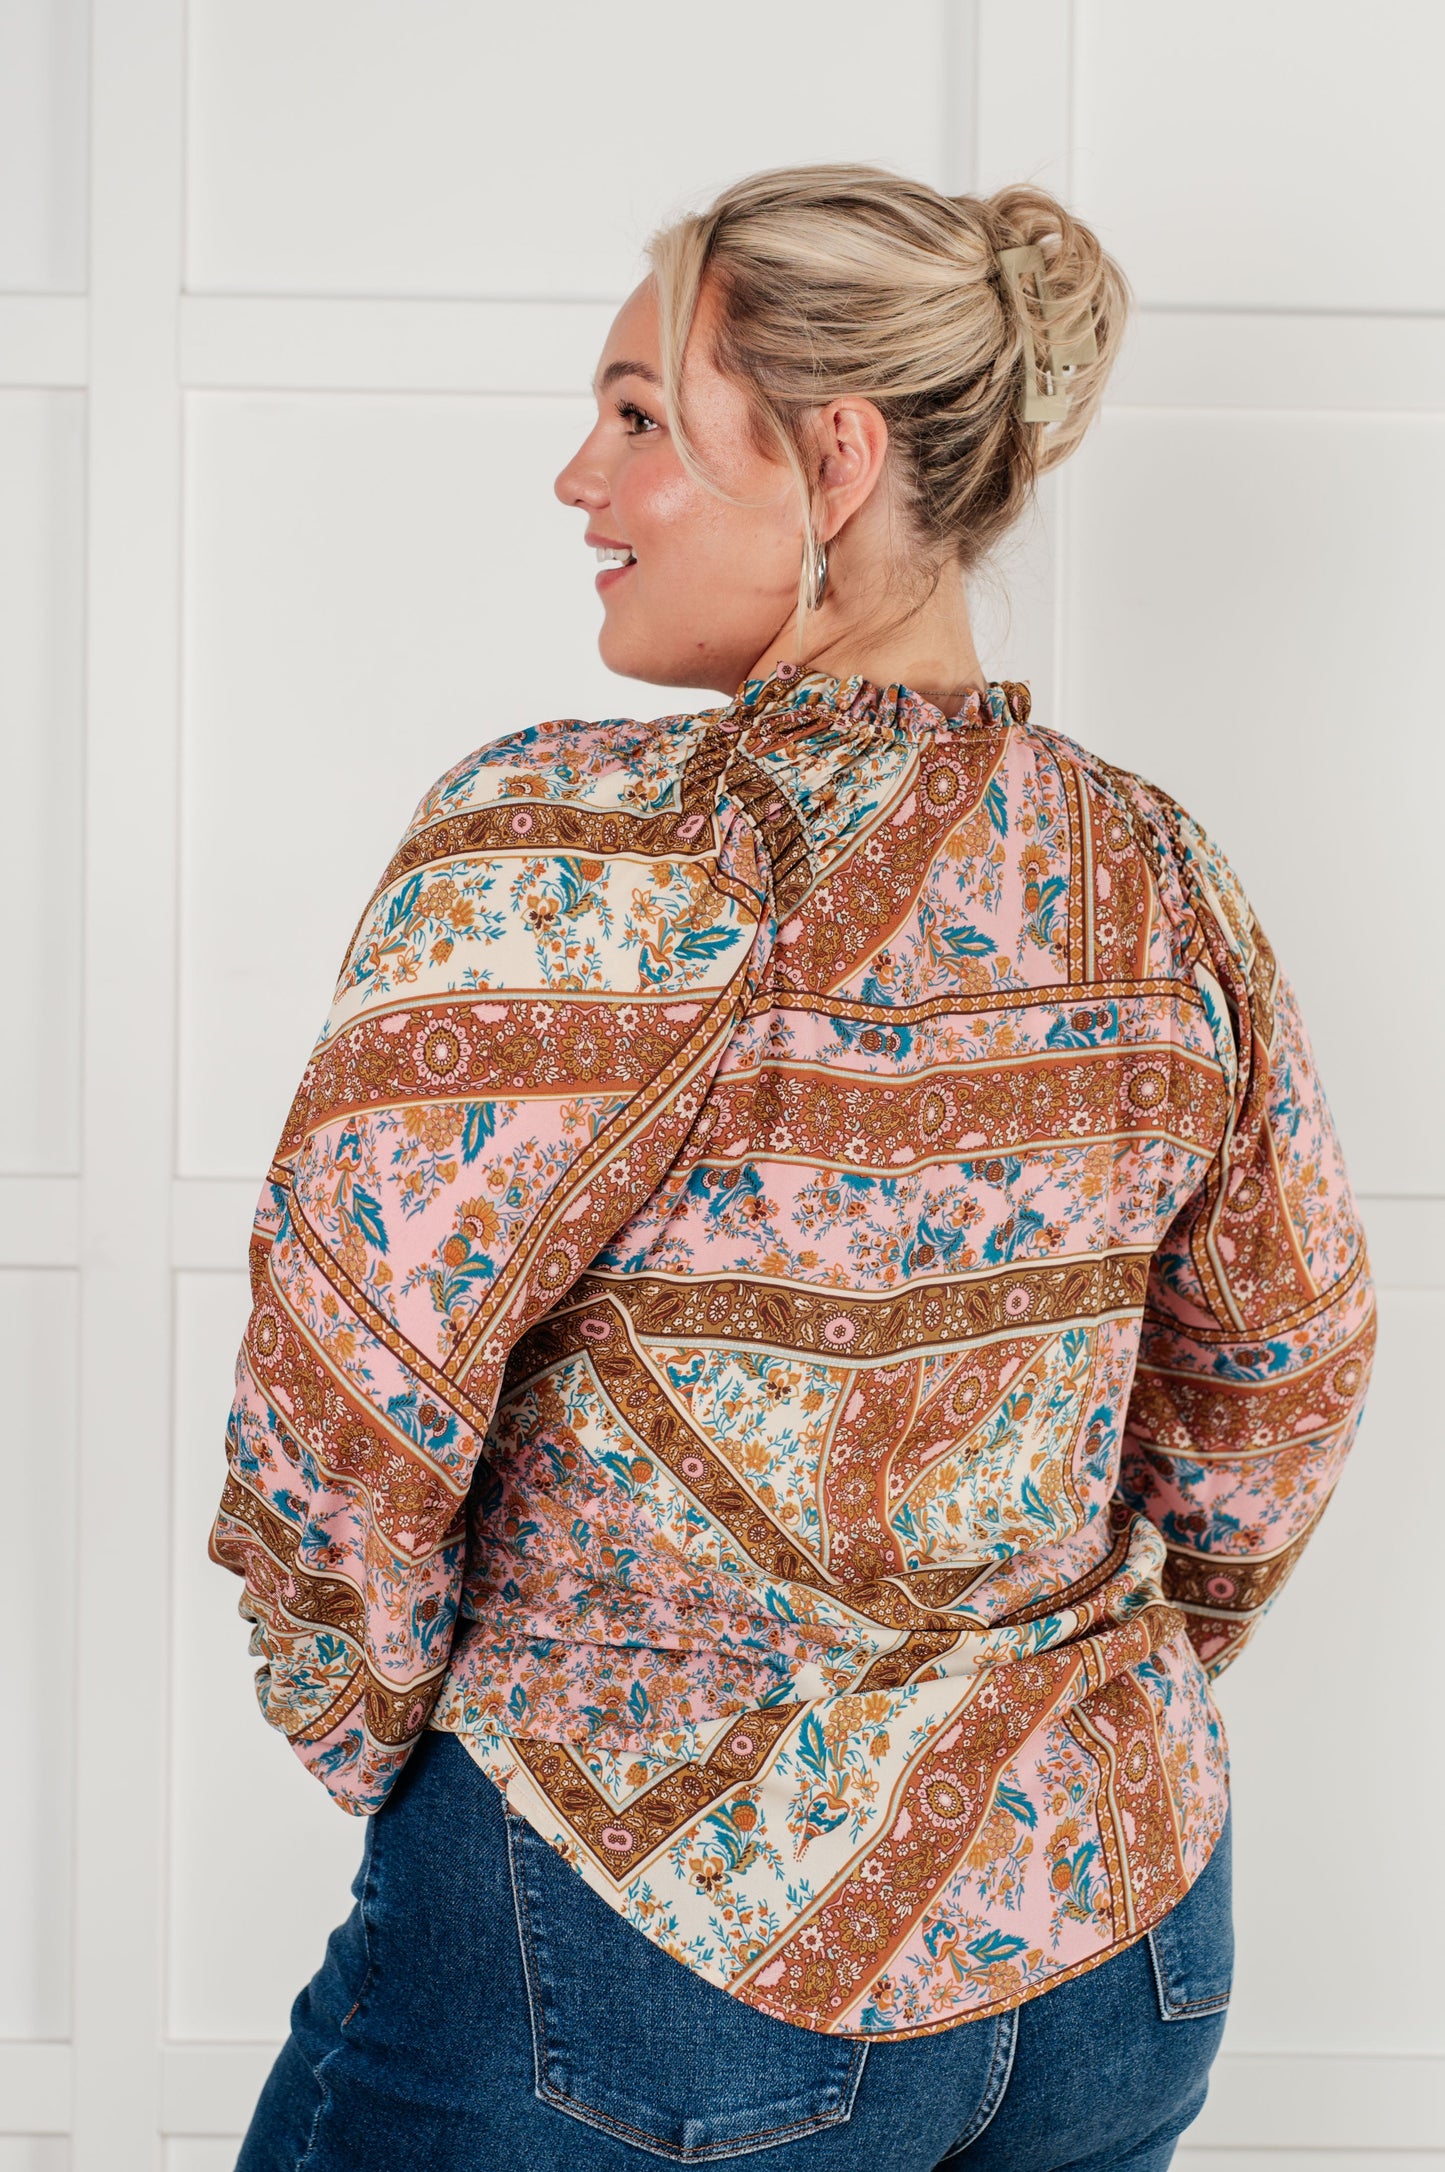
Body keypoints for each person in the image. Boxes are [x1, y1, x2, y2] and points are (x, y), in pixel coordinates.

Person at [217, 166, 1375, 2172]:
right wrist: (1074, 1698)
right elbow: (1285, 1365)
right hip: (1110, 1946)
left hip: (647, 1937)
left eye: (640, 416)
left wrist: (403, 1743)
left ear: (835, 456)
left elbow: (342, 1412)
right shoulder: (1153, 870)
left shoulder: (582, 858)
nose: (581, 477)